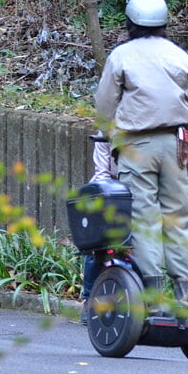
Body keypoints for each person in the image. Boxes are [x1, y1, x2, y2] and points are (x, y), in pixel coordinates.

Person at [95, 0, 188, 309]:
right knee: (179, 217)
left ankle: (153, 298)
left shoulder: (121, 55)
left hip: (137, 145)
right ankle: (186, 296)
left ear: (130, 22)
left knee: (144, 218)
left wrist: (108, 134)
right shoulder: (178, 54)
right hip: (176, 144)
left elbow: (105, 104)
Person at [79, 133, 118, 324]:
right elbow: (102, 172)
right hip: (108, 189)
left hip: (141, 190)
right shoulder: (106, 132)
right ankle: (88, 299)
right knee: (96, 245)